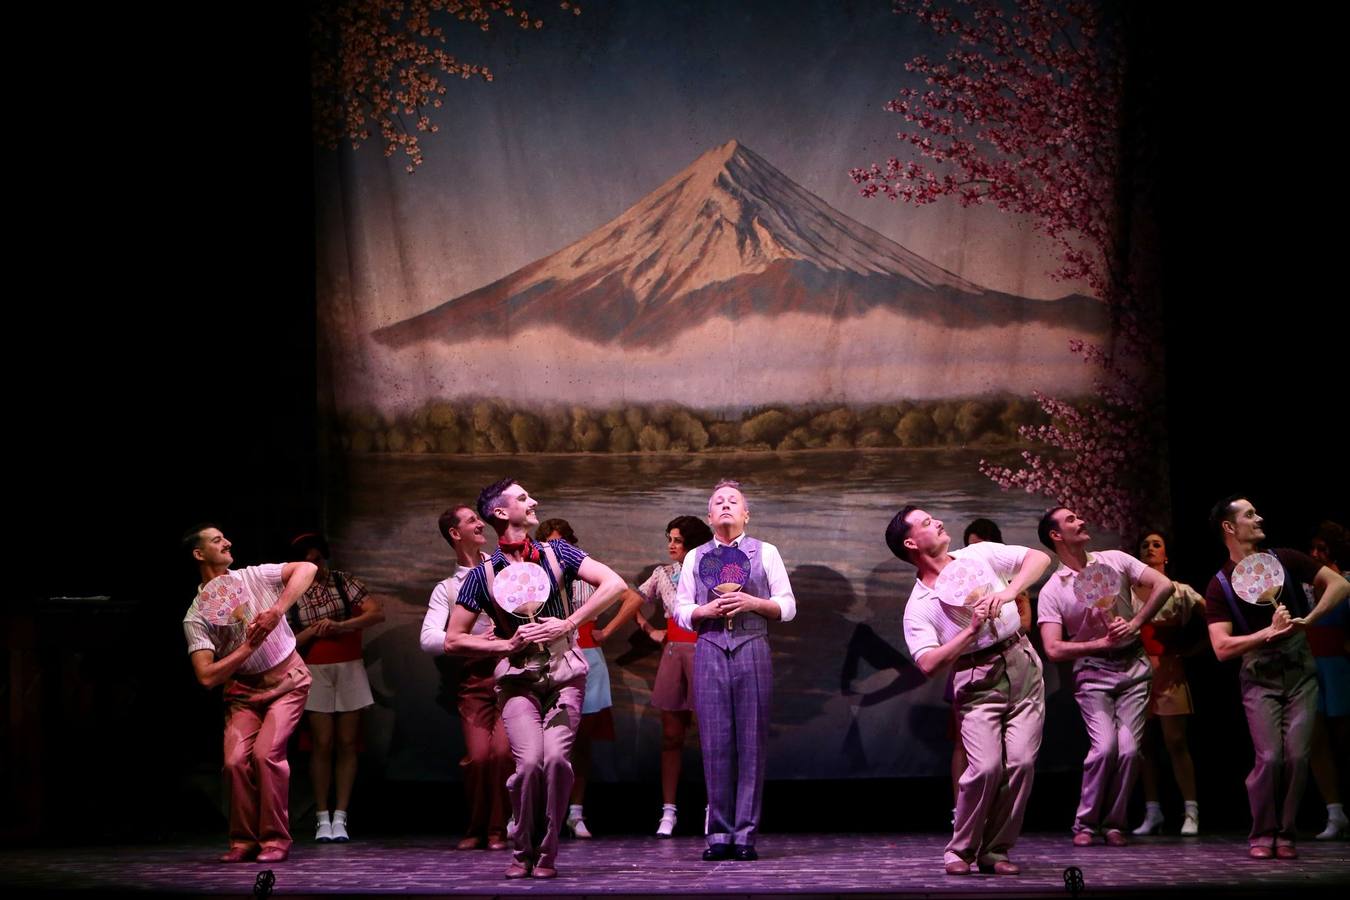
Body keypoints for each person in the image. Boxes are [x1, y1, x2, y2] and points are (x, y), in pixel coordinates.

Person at [444, 478, 626, 879]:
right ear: (500, 512)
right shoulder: (483, 575)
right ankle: (521, 848)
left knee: (558, 760)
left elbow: (615, 584)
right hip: (517, 680)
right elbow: (453, 639)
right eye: (523, 498)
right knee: (528, 765)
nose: (534, 501)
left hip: (564, 673)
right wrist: (503, 647)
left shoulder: (557, 553)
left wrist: (570, 621)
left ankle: (548, 850)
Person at [887, 505, 1051, 876]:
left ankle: (995, 850)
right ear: (911, 542)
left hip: (1021, 660)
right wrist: (970, 630)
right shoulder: (920, 605)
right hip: (977, 678)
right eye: (927, 522)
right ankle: (961, 848)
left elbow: (1039, 558)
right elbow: (927, 663)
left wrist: (1010, 591)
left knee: (1022, 762)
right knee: (985, 766)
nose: (939, 521)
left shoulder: (978, 554)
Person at [1203, 496, 1349, 859]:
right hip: (1259, 675)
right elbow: (1221, 648)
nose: (1259, 517)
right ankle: (1262, 831)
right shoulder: (1220, 584)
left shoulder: (1285, 559)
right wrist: (1265, 633)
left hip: (1300, 670)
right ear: (1229, 527)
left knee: (1298, 756)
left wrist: (1310, 619)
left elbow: (1340, 585)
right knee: (1270, 758)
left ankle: (1285, 832)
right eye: (1249, 514)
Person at [1036, 508, 1173, 848]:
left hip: (1133, 667)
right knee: (1104, 749)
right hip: (1093, 673)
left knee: (1128, 751)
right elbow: (1052, 649)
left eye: (1079, 517)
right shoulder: (1055, 588)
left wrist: (1136, 621)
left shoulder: (1113, 559)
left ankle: (1115, 822)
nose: (1081, 521)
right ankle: (1085, 822)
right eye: (1071, 520)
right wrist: (1099, 643)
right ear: (1056, 535)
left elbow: (1165, 585)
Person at [674, 480, 796, 862]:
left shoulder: (766, 552)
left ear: (746, 514)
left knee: (751, 743)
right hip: (710, 647)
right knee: (715, 744)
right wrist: (702, 611)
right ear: (710, 516)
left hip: (751, 646)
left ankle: (745, 833)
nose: (725, 506)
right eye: (718, 503)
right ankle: (719, 834)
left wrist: (754, 602)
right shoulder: (696, 557)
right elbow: (680, 608)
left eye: (733, 502)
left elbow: (787, 605)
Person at [181, 523, 316, 863]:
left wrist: (276, 611)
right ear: (199, 554)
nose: (227, 542)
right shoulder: (197, 616)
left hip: (287, 680)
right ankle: (243, 840)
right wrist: (246, 648)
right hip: (243, 691)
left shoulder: (254, 576)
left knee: (266, 754)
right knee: (234, 761)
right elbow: (207, 677)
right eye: (216, 540)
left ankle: (274, 840)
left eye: (225, 536)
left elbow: (307, 568)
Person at [533, 518, 645, 840]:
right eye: (547, 545)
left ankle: (576, 813)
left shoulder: (587, 570)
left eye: (559, 544)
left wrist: (606, 631)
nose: (553, 551)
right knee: (539, 739)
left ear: (570, 544)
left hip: (587, 654)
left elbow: (628, 595)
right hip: (548, 656)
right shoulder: (534, 573)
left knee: (579, 740)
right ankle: (531, 810)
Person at [419, 505, 510, 852]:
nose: (480, 523)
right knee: (479, 758)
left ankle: (498, 829)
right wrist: (471, 642)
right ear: (455, 534)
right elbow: (428, 639)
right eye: (472, 520)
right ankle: (476, 826)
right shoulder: (448, 588)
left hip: (511, 673)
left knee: (504, 754)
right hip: (475, 679)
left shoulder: (505, 569)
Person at [288, 531, 385, 843]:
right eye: (307, 561)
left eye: (317, 559)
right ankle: (321, 816)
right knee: (322, 743)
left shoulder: (342, 581)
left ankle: (340, 816)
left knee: (346, 742)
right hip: (314, 668)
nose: (314, 566)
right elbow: (285, 640)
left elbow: (375, 613)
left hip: (349, 665)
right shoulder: (290, 591)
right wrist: (315, 632)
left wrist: (342, 625)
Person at [632, 515, 715, 837]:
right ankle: (669, 811)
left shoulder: (711, 570)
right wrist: (649, 629)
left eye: (677, 540)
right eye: (670, 538)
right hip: (673, 653)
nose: (671, 545)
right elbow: (629, 599)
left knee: (713, 737)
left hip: (706, 651)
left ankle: (715, 807)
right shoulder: (662, 574)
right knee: (671, 736)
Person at [947, 519, 1033, 811]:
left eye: (980, 546)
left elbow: (1025, 622)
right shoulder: (954, 581)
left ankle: (995, 810)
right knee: (962, 740)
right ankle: (960, 808)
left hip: (1010, 659)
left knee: (1012, 751)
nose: (974, 553)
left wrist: (998, 611)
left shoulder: (1009, 581)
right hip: (970, 662)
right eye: (970, 546)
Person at [1129, 529, 1205, 837]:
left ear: (1166, 555)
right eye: (1145, 544)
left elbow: (1214, 619)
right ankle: (1153, 811)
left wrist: (1192, 650)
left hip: (1169, 672)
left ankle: (1191, 810)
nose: (1150, 548)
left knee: (1175, 742)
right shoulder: (1129, 592)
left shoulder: (1180, 592)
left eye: (1156, 544)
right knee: (1143, 746)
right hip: (1136, 673)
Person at [1306, 521, 1350, 840]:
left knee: (1344, 740)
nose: (1315, 554)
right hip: (1310, 666)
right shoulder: (1306, 586)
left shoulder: (1347, 583)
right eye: (1314, 548)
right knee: (1317, 738)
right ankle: (1334, 812)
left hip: (1340, 667)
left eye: (1322, 549)